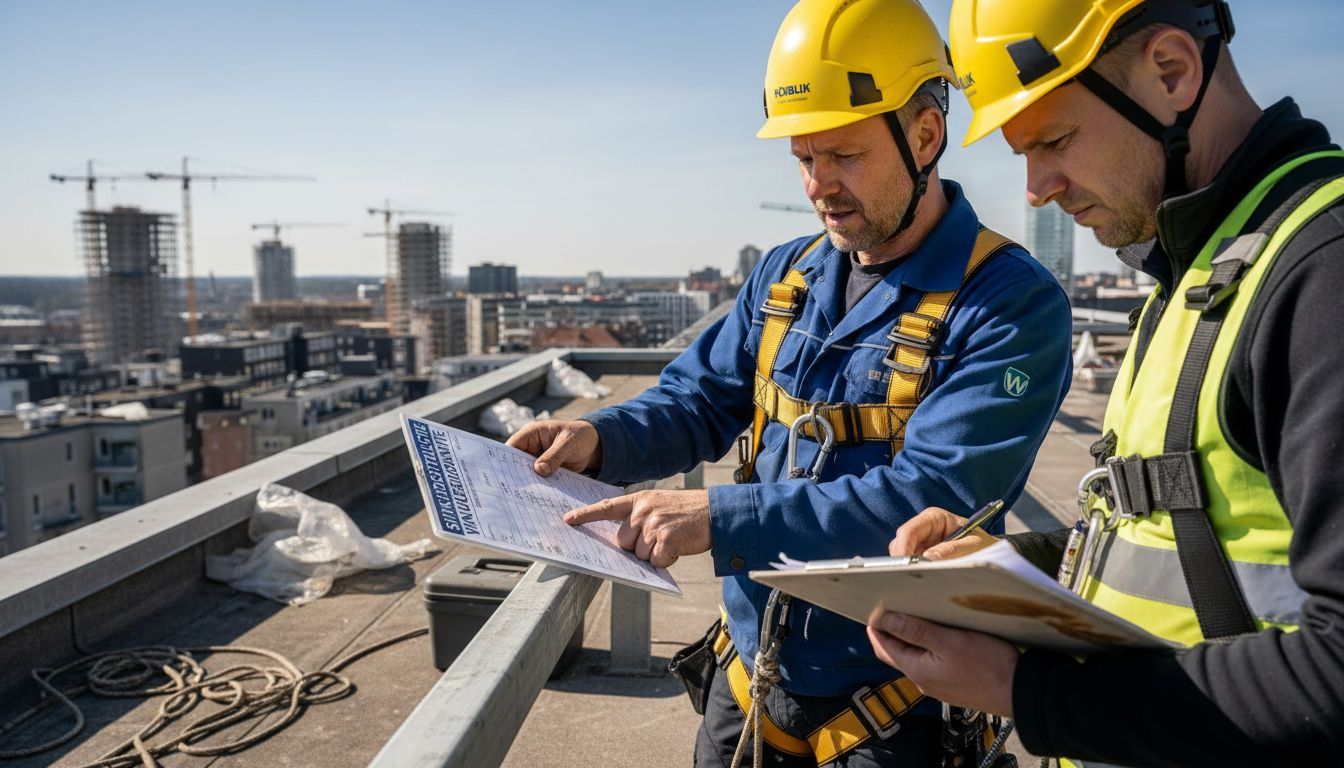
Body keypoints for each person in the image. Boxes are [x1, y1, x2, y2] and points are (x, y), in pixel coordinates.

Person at [508, 0, 1072, 764]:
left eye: (843, 155)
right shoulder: (786, 277)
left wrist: (720, 516)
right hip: (747, 687)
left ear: (926, 136)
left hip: (894, 708)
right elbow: (698, 400)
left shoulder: (1008, 304)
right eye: (804, 158)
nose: (818, 184)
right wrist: (599, 438)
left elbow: (929, 496)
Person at [867, 0, 1344, 765]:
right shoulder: (1206, 262)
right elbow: (1189, 533)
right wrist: (1008, 568)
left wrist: (1028, 692)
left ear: (1172, 71)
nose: (1035, 188)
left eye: (1053, 139)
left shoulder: (1322, 275)